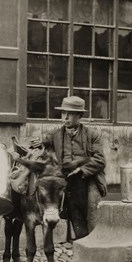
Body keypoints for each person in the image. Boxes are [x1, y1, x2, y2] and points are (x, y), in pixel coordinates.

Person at [32, 96, 107, 241]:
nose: (65, 117)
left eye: (70, 114)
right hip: (68, 182)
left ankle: (94, 251)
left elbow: (100, 160)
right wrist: (39, 144)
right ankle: (81, 250)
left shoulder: (92, 135)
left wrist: (81, 170)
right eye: (63, 113)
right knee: (75, 217)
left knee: (92, 216)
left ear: (79, 116)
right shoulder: (55, 135)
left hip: (88, 180)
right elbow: (44, 147)